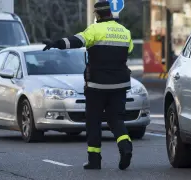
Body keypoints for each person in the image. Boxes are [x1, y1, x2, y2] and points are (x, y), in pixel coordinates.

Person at [43, 1, 134, 170]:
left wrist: (56, 43)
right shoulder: (125, 32)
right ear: (110, 13)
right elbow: (128, 51)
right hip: (120, 84)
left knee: (93, 121)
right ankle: (125, 146)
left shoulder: (94, 29)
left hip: (97, 85)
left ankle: (94, 160)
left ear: (97, 15)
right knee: (116, 119)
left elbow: (76, 41)